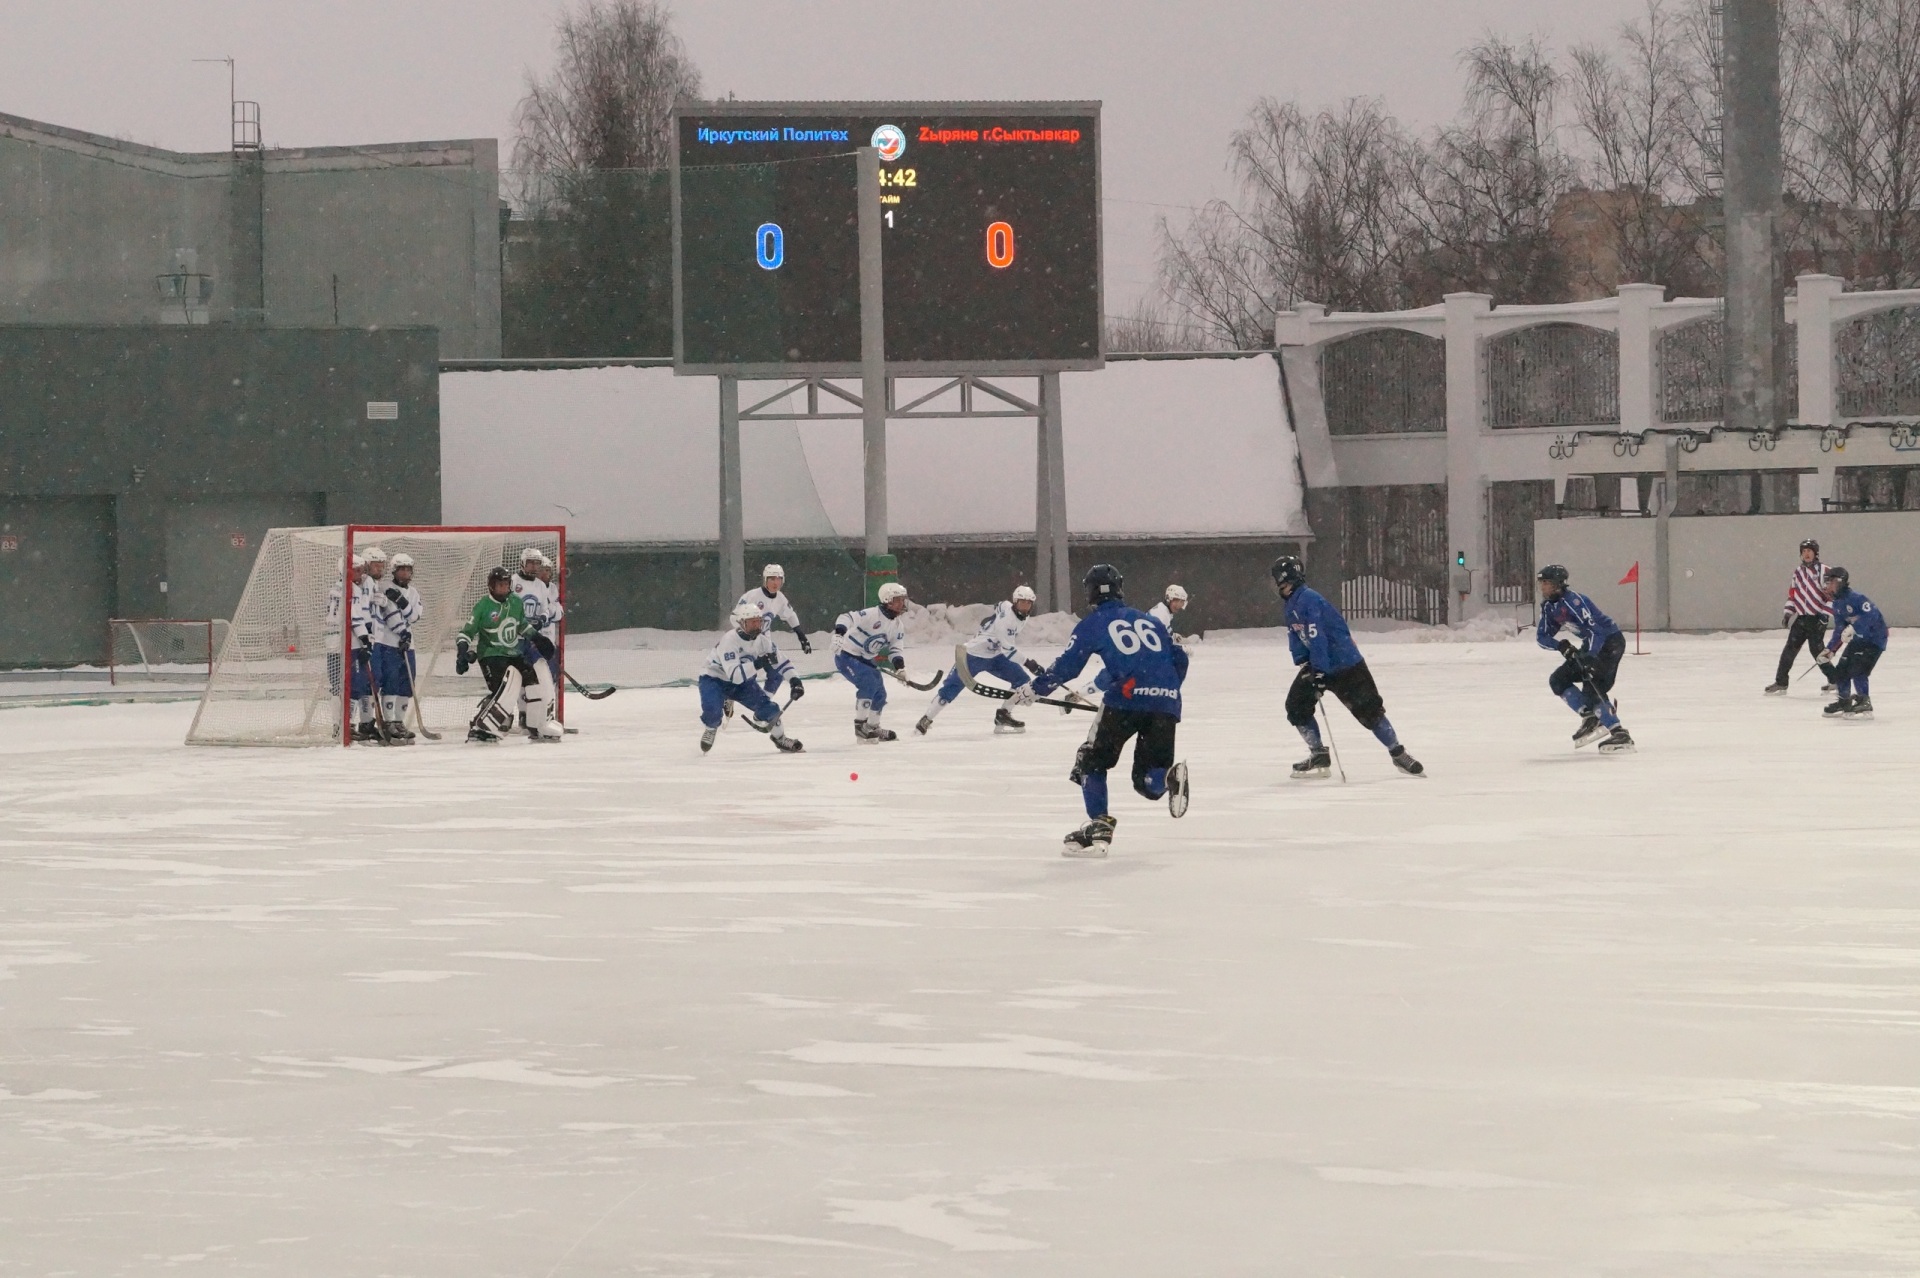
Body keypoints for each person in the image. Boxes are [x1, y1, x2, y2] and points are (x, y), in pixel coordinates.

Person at [1029, 564, 1190, 857]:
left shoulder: (1093, 623)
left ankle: (1100, 825)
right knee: (1148, 783)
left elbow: (1068, 666)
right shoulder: (1150, 621)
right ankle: (1168, 779)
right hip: (1166, 702)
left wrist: (1034, 689)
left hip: (1125, 702)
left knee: (1090, 759)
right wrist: (1161, 691)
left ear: (1090, 592)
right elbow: (1179, 658)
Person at [1271, 557, 1424, 778]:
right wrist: (1304, 661)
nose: (1277, 585)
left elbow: (1317, 637)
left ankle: (1398, 752)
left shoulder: (1309, 600)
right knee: (1296, 706)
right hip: (1318, 662)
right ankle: (1318, 754)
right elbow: (1297, 636)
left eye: (1279, 580)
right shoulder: (1291, 605)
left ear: (1288, 579)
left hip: (1346, 665)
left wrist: (1320, 670)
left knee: (1369, 711)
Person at [1536, 564, 1634, 753]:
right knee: (1558, 679)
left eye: (1546, 583)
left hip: (1609, 643)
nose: (1542, 587)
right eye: (1541, 583)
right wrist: (1561, 646)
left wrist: (1589, 657)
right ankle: (1590, 717)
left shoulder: (1574, 601)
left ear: (1558, 584)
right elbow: (1542, 637)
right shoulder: (1549, 607)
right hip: (1589, 645)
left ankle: (1619, 733)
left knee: (1592, 684)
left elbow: (1595, 631)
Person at [456, 566, 559, 743]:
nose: (503, 589)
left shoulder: (515, 602)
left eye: (506, 585)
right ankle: (478, 727)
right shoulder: (483, 606)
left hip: (514, 653)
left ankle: (536, 724)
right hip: (491, 655)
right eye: (499, 585)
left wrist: (538, 638)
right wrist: (462, 653)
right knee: (501, 691)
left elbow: (522, 626)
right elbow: (466, 633)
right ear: (491, 586)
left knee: (533, 682)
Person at [918, 585, 1037, 735]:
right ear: (1015, 601)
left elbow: (999, 605)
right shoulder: (1007, 621)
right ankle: (926, 719)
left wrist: (990, 621)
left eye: (1028, 603)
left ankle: (1004, 714)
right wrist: (1029, 663)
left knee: (1022, 682)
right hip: (974, 655)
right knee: (951, 687)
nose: (1025, 606)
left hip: (996, 656)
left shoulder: (1009, 607)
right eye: (1022, 602)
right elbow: (1009, 650)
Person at [697, 602, 805, 754]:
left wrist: (795, 681)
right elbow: (734, 675)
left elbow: (782, 661)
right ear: (742, 623)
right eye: (752, 622)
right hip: (714, 679)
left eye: (758, 621)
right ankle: (711, 726)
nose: (757, 625)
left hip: (742, 683)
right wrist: (758, 663)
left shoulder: (763, 641)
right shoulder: (729, 640)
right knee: (712, 712)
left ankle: (780, 738)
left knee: (771, 710)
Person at [833, 581, 912, 742]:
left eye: (903, 600)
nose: (901, 603)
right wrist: (839, 634)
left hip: (866, 660)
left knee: (880, 694)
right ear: (887, 600)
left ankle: (873, 726)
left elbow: (895, 649)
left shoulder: (897, 625)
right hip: (846, 656)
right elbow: (845, 617)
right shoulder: (871, 614)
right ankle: (860, 726)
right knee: (868, 683)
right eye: (897, 600)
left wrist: (900, 668)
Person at [1766, 538, 1833, 695]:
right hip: (1801, 618)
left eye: (1809, 551)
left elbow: (1833, 597)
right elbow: (1793, 595)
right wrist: (1788, 612)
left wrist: (1825, 615)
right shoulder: (1798, 572)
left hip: (1817, 618)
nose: (1806, 554)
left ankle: (1836, 679)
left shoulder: (1825, 571)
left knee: (1817, 651)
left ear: (1816, 553)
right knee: (1789, 650)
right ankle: (1781, 682)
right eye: (1803, 551)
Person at [1819, 566, 1887, 719]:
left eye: (1831, 582)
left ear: (1840, 582)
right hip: (1858, 641)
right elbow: (1839, 630)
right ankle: (1844, 701)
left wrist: (1855, 627)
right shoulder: (1836, 605)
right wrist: (1830, 650)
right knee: (1842, 668)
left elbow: (1873, 616)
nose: (1828, 586)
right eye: (1827, 582)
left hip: (1874, 639)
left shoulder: (1857, 598)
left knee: (1858, 668)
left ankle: (1864, 701)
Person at [370, 551, 423, 743]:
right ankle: (389, 722)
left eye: (408, 570)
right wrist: (401, 633)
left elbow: (414, 617)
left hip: (408, 646)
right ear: (394, 571)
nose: (406, 573)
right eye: (402, 570)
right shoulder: (384, 587)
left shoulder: (414, 593)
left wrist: (401, 601)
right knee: (391, 682)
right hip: (388, 643)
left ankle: (399, 722)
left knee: (406, 684)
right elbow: (387, 614)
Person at [512, 548, 562, 729]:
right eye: (530, 563)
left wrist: (542, 619)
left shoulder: (541, 586)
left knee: (539, 676)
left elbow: (546, 609)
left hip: (531, 639)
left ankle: (539, 715)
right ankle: (520, 713)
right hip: (514, 639)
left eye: (537, 563)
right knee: (517, 677)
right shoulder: (513, 582)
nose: (534, 567)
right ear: (522, 563)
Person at [737, 564, 813, 655]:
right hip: (746, 643)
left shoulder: (780, 598)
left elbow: (790, 615)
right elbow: (735, 617)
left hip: (765, 642)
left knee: (779, 666)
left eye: (778, 579)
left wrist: (802, 636)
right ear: (765, 580)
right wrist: (745, 636)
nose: (775, 583)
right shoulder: (752, 596)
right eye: (772, 579)